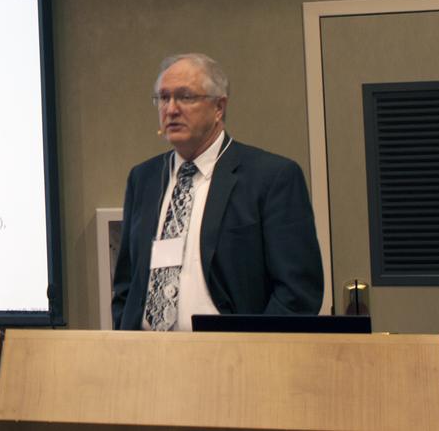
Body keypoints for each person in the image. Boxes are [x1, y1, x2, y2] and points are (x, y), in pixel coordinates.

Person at [111, 53, 323, 331]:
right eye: (163, 98)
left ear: (218, 108)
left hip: (233, 360)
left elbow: (298, 293)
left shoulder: (272, 178)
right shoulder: (143, 178)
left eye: (185, 97)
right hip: (148, 360)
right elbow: (126, 284)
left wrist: (252, 352)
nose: (171, 109)